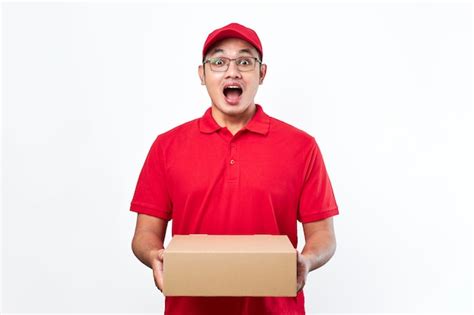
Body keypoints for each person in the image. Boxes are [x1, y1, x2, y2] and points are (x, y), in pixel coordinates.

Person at [130, 22, 339, 315]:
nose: (232, 71)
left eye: (245, 61)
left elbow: (324, 236)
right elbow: (144, 234)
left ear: (261, 73)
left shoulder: (301, 146)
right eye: (218, 61)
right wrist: (156, 255)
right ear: (202, 75)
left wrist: (306, 259)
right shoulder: (167, 146)